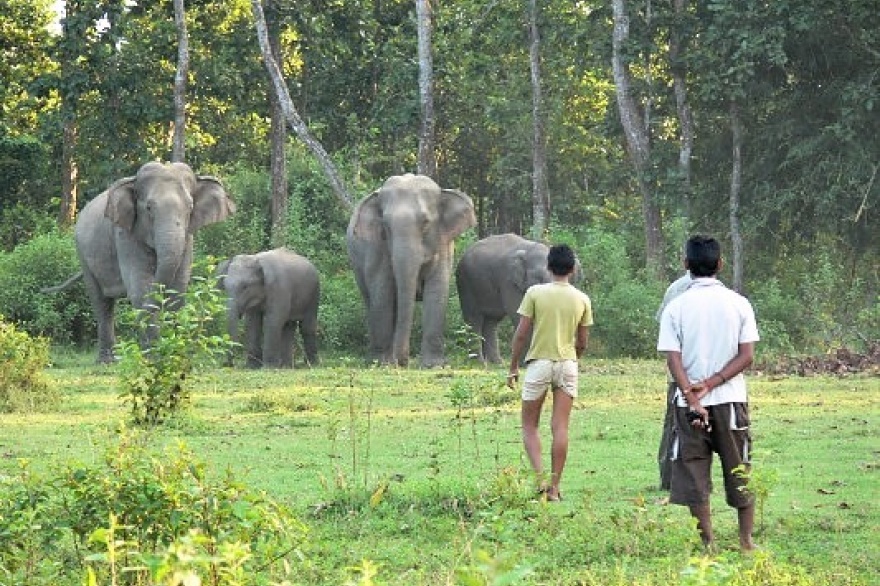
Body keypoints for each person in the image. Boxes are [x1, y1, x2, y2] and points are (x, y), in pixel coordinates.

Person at [657, 235, 759, 552]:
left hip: (689, 405)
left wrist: (691, 395)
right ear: (720, 264)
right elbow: (746, 356)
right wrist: (714, 382)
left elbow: (672, 358)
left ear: (686, 265)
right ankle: (745, 541)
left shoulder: (676, 306)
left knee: (692, 469)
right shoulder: (739, 303)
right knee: (740, 467)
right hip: (730, 401)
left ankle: (708, 543)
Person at [506, 244, 593, 502]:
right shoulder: (582, 299)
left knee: (529, 425)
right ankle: (555, 487)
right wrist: (574, 359)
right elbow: (583, 341)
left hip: (539, 364)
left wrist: (512, 366)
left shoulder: (534, 293)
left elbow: (521, 333)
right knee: (560, 427)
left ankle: (540, 480)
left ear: (548, 266)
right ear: (573, 268)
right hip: (567, 364)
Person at [656, 269, 693, 490]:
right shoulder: (724, 294)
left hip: (679, 368)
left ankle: (668, 477)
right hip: (712, 375)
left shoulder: (675, 288)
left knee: (674, 423)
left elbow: (663, 323)